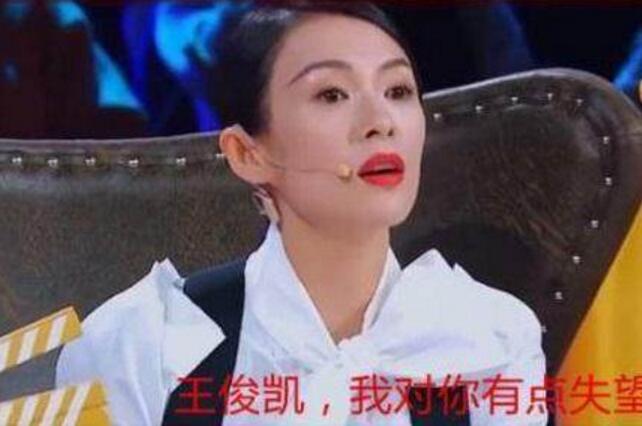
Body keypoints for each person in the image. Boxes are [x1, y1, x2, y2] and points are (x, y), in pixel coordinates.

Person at [55, 2, 548, 425]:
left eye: (397, 91)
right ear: (247, 153)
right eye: (331, 94)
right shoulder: (142, 344)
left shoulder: (490, 339)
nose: (380, 122)